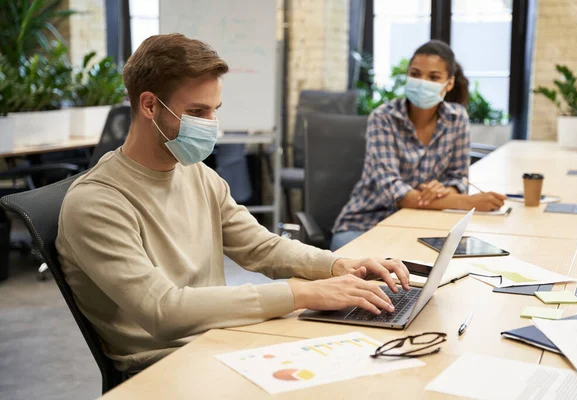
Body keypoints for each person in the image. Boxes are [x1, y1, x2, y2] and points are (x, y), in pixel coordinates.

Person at [55, 34, 410, 374]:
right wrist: (301, 293)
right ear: (149, 105)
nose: (212, 126)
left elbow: (261, 247)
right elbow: (163, 310)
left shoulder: (198, 175)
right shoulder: (95, 202)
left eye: (214, 111)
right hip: (167, 366)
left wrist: (338, 266)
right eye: (197, 111)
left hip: (224, 340)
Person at [331, 40, 506, 251]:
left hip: (421, 225)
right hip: (365, 225)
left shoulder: (456, 118)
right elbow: (399, 196)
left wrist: (443, 189)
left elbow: (458, 178)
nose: (422, 82)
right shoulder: (384, 118)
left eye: (433, 77)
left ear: (449, 83)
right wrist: (469, 203)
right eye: (415, 74)